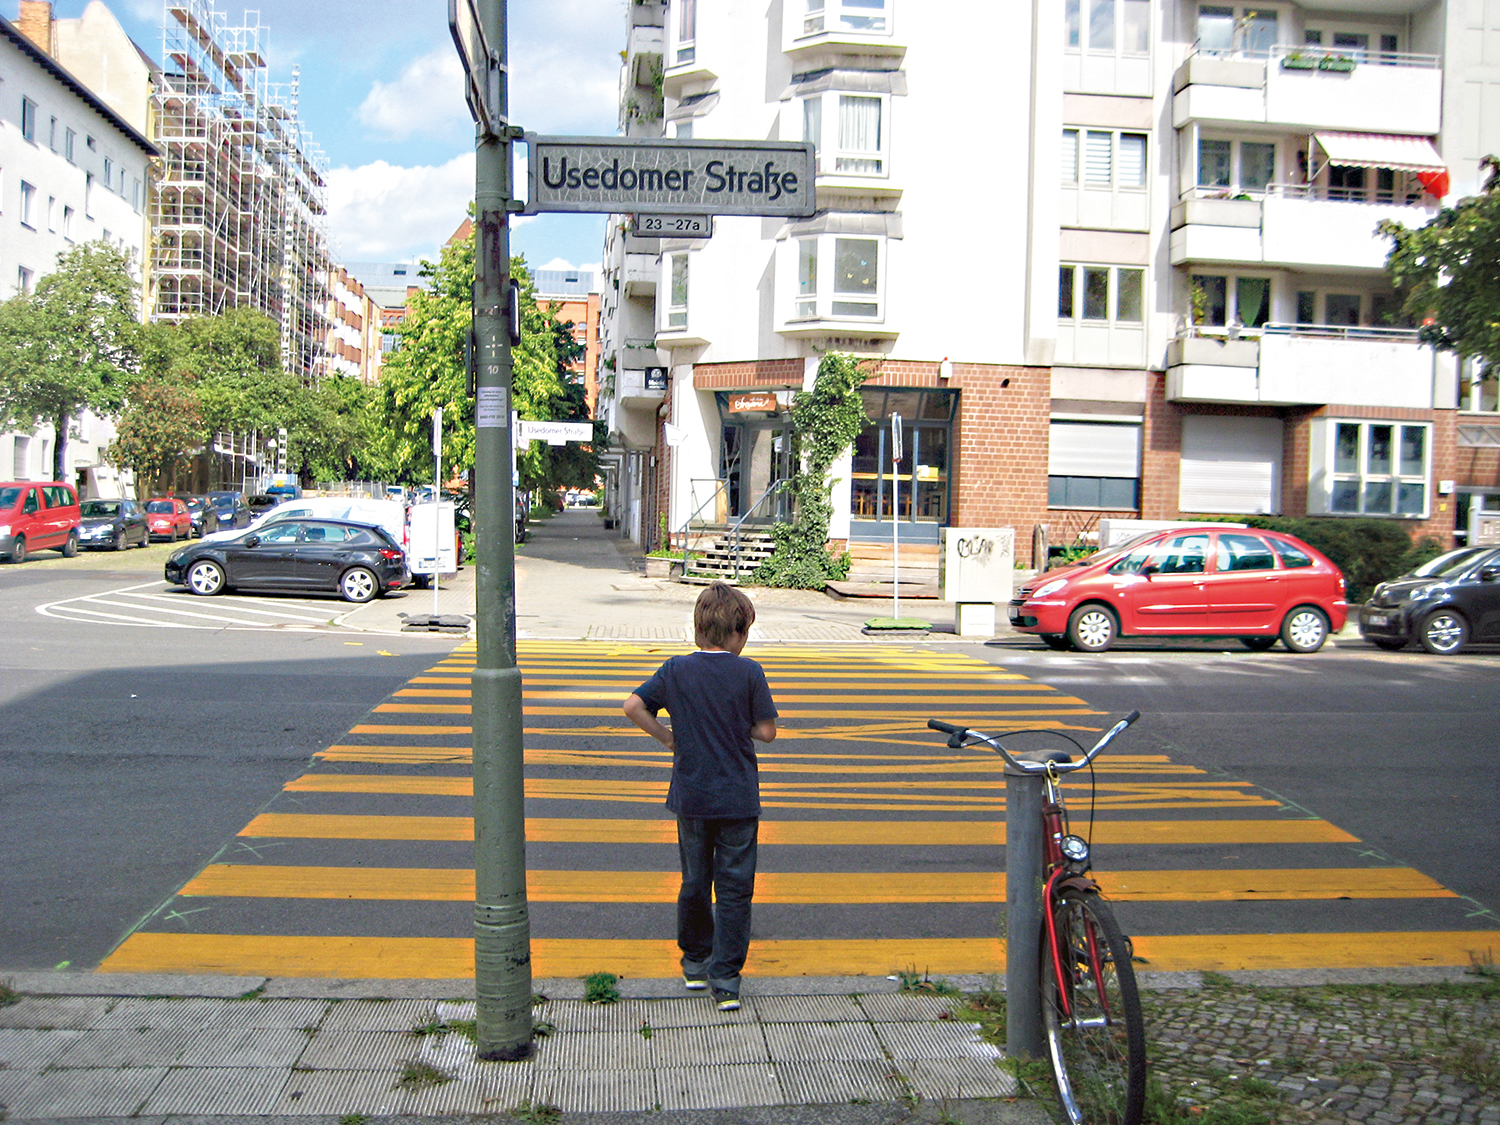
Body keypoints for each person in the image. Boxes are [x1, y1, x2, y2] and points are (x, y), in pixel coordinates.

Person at [623, 581, 778, 1011]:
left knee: (695, 880)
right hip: (738, 799)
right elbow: (767, 732)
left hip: (691, 794)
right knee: (734, 887)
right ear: (736, 633)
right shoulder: (749, 673)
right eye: (745, 633)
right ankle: (725, 978)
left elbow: (633, 706)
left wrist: (670, 737)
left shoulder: (675, 670)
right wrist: (738, 726)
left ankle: (694, 961)